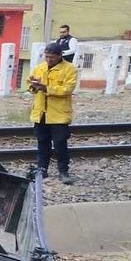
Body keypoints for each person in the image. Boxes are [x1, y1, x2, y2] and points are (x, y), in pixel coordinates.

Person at [29, 42, 78, 184]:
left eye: (52, 57)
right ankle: (42, 169)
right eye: (47, 56)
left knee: (60, 144)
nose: (48, 59)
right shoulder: (40, 67)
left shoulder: (70, 69)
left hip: (59, 115)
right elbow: (30, 83)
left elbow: (67, 89)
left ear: (59, 56)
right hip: (41, 112)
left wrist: (46, 88)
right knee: (42, 142)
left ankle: (63, 171)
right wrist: (33, 85)